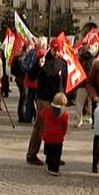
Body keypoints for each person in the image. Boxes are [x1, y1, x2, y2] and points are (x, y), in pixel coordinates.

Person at [26, 38, 68, 166]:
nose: (56, 53)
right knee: (41, 126)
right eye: (55, 50)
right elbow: (31, 76)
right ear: (51, 48)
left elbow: (64, 81)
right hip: (44, 98)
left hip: (57, 99)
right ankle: (32, 154)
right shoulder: (42, 59)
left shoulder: (63, 62)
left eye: (59, 50)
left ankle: (52, 155)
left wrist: (64, 97)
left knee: (56, 129)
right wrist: (39, 66)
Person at [41, 92, 70, 176]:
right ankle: (55, 169)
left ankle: (49, 165)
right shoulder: (65, 113)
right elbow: (65, 125)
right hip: (58, 136)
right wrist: (63, 134)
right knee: (56, 153)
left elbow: (42, 116)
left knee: (49, 151)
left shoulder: (47, 109)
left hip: (48, 134)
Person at [21, 37, 49, 124]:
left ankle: (28, 117)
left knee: (30, 100)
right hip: (39, 81)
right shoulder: (44, 54)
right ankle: (38, 118)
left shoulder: (32, 52)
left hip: (29, 80)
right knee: (39, 101)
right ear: (44, 44)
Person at [75, 44, 96, 127]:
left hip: (82, 84)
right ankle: (92, 120)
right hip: (91, 85)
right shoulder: (93, 60)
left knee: (79, 103)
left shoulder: (78, 61)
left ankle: (79, 120)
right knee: (91, 104)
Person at [11, 43, 29, 123]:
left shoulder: (17, 57)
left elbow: (13, 70)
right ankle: (22, 115)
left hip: (19, 79)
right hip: (23, 80)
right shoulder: (24, 59)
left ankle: (21, 114)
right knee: (24, 98)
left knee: (23, 97)